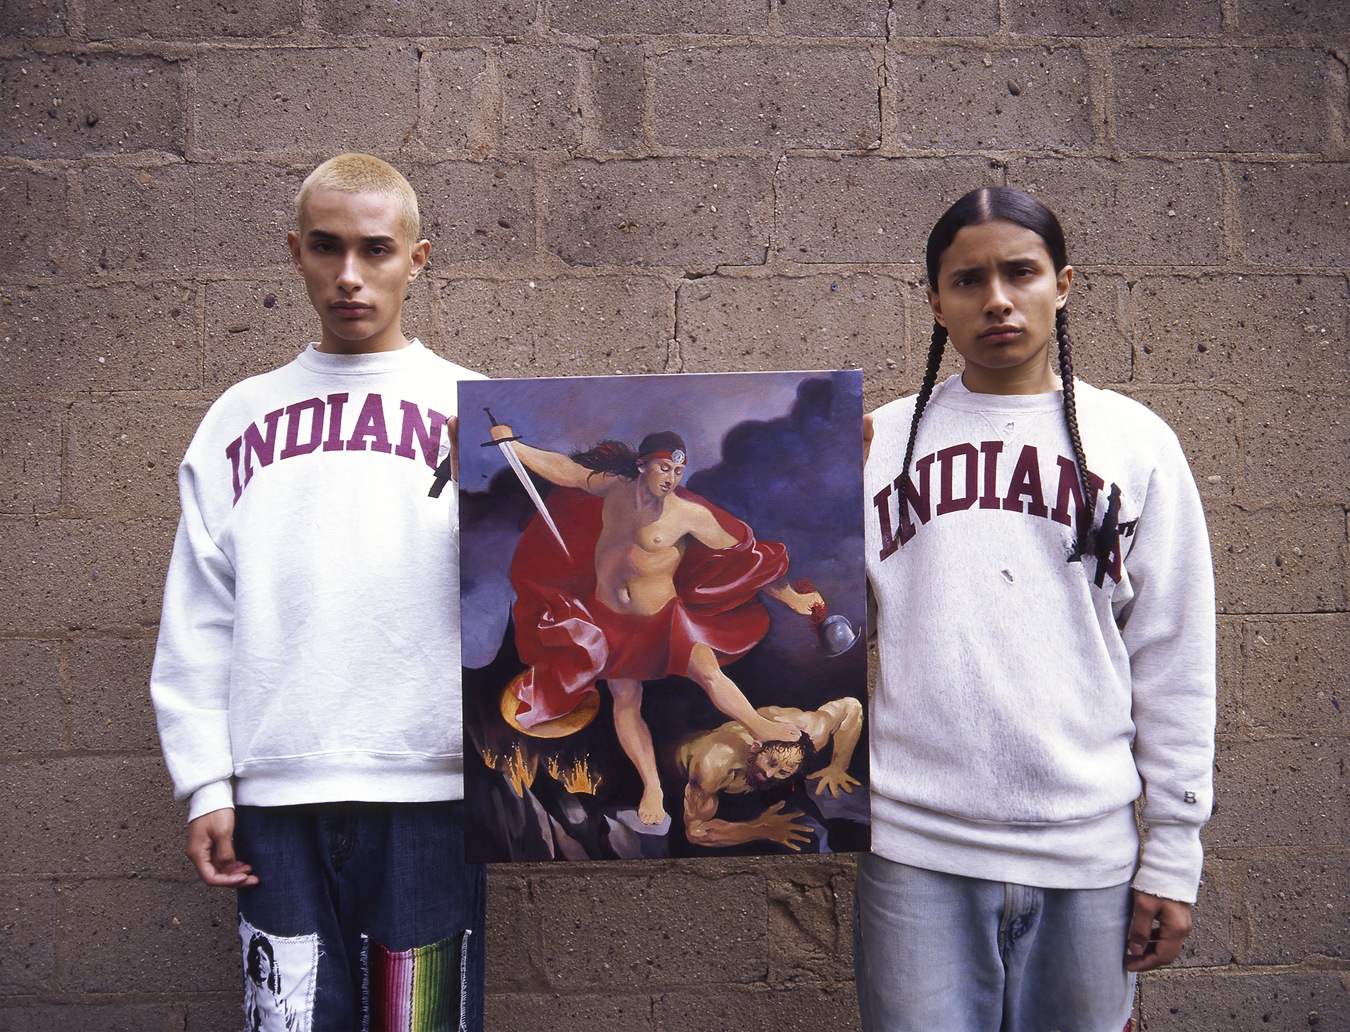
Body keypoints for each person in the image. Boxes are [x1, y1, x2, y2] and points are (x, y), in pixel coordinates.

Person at [856, 186, 1216, 1031]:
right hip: (916, 850)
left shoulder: (1136, 442)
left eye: (1021, 272)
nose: (997, 300)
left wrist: (1173, 853)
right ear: (935, 302)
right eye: (968, 280)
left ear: (1064, 284)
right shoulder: (873, 445)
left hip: (1088, 854)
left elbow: (1174, 654)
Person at [150, 153, 487, 1030]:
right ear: (294, 252)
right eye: (326, 249)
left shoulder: (481, 412)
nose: (349, 276)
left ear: (417, 259)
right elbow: (198, 617)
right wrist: (207, 786)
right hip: (275, 798)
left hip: (434, 795)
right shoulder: (237, 418)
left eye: (375, 250)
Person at [486, 426, 824, 826]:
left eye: (678, 472)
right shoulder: (613, 486)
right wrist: (513, 445)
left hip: (664, 618)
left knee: (708, 673)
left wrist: (792, 598)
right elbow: (567, 470)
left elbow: (751, 560)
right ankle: (653, 786)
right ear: (643, 465)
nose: (670, 479)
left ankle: (759, 725)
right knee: (625, 702)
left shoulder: (690, 514)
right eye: (664, 468)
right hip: (609, 619)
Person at [675, 697, 862, 850]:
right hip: (683, 760)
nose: (770, 774)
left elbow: (852, 707)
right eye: (771, 762)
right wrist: (760, 830)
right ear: (756, 747)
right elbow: (695, 832)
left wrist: (838, 767)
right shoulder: (714, 765)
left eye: (784, 771)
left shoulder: (815, 732)